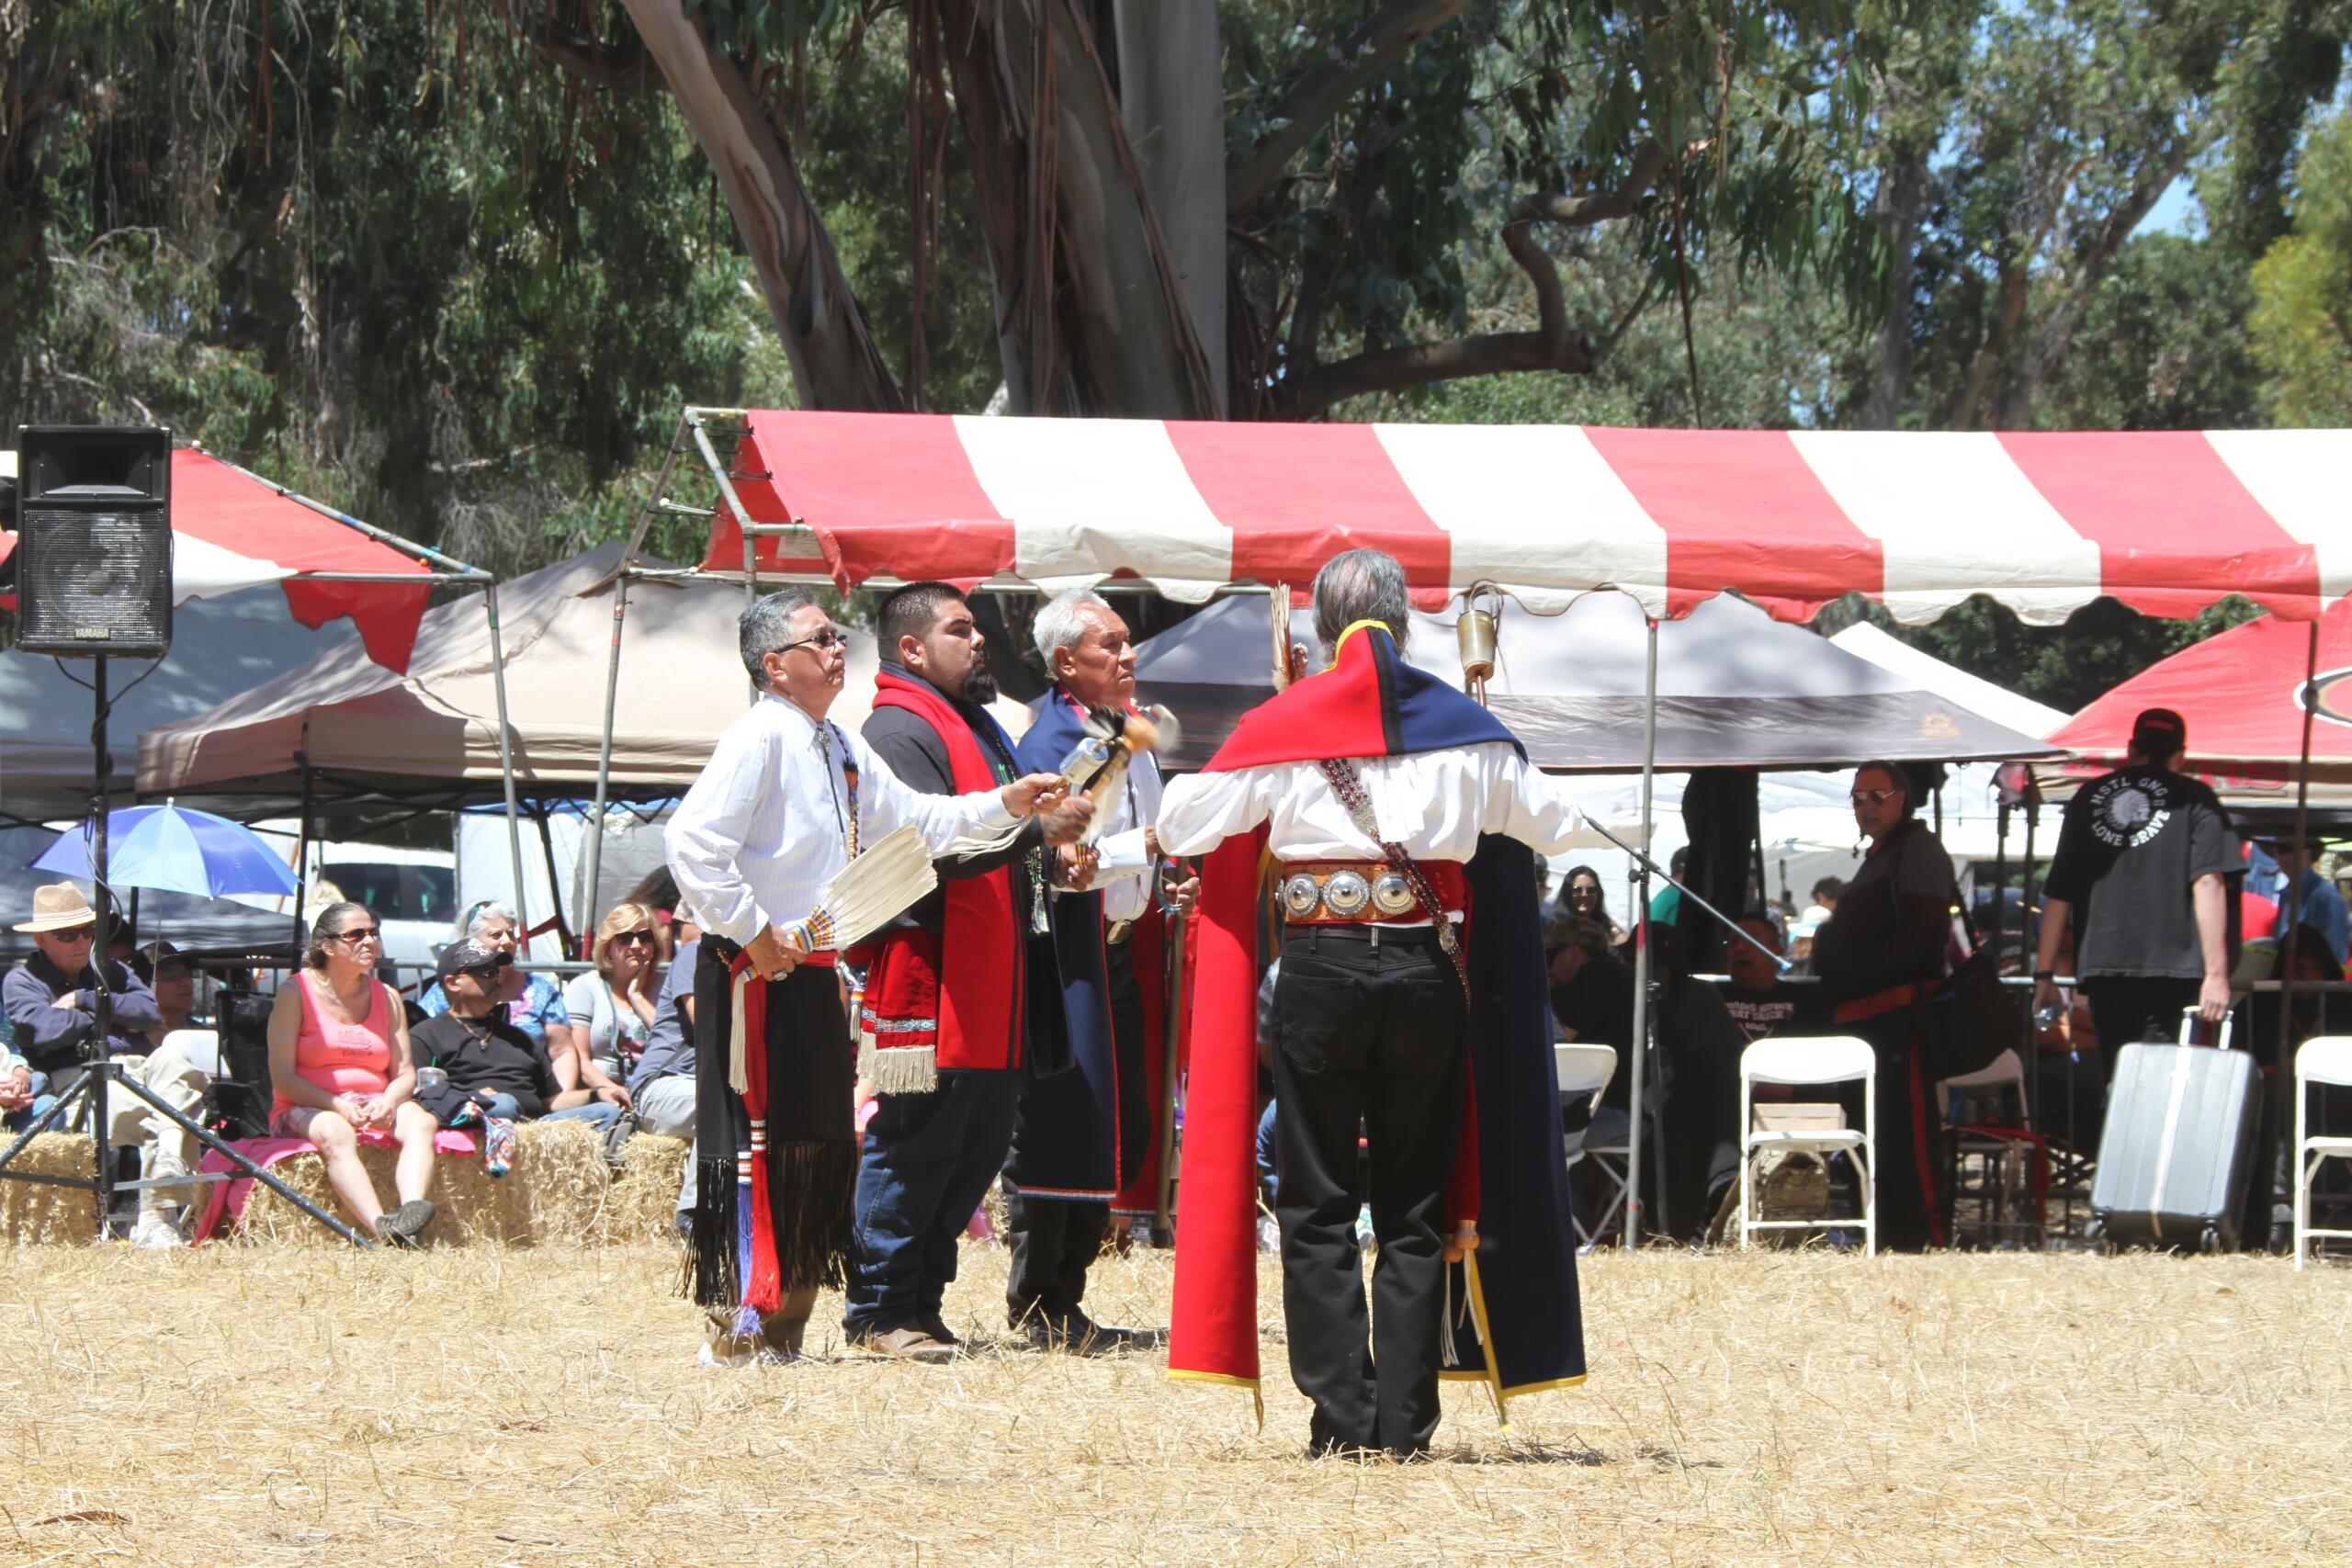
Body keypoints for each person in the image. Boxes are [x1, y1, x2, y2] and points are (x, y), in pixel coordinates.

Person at [1159, 547, 1590, 1460]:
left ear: (1322, 628)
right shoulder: (1463, 725)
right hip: (1424, 973)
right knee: (1413, 1201)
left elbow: (1183, 826)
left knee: (1315, 1199)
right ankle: (1406, 1423)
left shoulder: (1285, 722)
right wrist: (1486, 753)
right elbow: (1556, 826)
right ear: (1404, 620)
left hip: (1319, 969)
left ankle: (1342, 1423)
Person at [664, 588, 1072, 1367]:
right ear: (774, 665)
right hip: (751, 972)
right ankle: (736, 1329)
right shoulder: (760, 737)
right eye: (818, 639)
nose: (836, 647)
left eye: (835, 635)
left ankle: (784, 1327)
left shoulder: (838, 746)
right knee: (752, 1143)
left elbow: (921, 821)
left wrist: (1004, 803)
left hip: (814, 970)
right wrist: (754, 931)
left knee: (815, 1146)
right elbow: (692, 842)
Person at [849, 581, 1094, 1361]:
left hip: (992, 965)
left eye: (977, 628)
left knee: (976, 1146)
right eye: (960, 630)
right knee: (918, 1141)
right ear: (912, 648)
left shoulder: (976, 721)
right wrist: (1034, 828)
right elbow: (928, 846)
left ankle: (922, 1301)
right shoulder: (898, 728)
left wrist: (1051, 850)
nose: (980, 639)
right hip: (933, 964)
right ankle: (879, 1309)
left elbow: (999, 829)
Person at [1010, 587, 1194, 1351]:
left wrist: (1165, 878)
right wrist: (1143, 852)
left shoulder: (1123, 731)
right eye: (1108, 646)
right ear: (1065, 662)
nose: (1128, 655)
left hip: (1120, 946)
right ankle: (1040, 1298)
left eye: (1127, 642)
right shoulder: (1055, 743)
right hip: (1066, 956)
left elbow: (1126, 846)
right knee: (1063, 1117)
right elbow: (1058, 862)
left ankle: (1069, 1292)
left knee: (1127, 1121)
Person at [2034, 706, 2237, 1076]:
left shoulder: (2088, 797)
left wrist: (2044, 975)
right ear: (2181, 756)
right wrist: (2217, 974)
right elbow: (2208, 881)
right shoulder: (2196, 798)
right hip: (2172, 967)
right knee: (2163, 1080)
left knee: (2120, 1076)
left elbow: (2060, 891)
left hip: (2104, 965)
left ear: (2131, 749)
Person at [4, 882, 205, 1247]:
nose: (80, 941)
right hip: (80, 1077)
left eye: (86, 931)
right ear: (41, 941)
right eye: (66, 934)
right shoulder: (22, 979)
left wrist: (83, 999)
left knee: (179, 1066)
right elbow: (41, 1032)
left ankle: (159, 1197)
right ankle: (156, 1214)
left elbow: (148, 1012)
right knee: (162, 1116)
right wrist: (111, 1018)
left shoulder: (106, 969)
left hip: (137, 1065)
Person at [1809, 761, 1955, 1250]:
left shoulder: (1918, 849)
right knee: (1876, 1131)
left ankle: (1920, 1234)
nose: (1865, 806)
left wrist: (1847, 956)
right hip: (1864, 1017)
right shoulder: (1882, 854)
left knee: (1906, 1133)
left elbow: (1923, 940)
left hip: (1897, 1015)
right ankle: (1887, 1231)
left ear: (1902, 797)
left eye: (1877, 795)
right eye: (1856, 797)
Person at [265, 900, 438, 1245]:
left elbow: (405, 1073)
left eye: (373, 933)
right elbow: (283, 1077)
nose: (369, 941)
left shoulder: (388, 997)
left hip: (374, 1100)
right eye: (356, 934)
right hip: (307, 1104)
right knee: (335, 1131)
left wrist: (389, 1100)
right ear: (328, 946)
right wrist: (337, 1105)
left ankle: (410, 1215)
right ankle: (382, 1230)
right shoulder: (295, 993)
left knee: (422, 1122)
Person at [409, 940, 626, 1175]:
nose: (496, 977)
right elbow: (422, 1096)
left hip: (538, 1129)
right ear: (453, 983)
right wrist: (475, 1098)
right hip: (479, 1128)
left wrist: (596, 1093)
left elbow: (551, 1101)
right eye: (487, 972)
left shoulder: (519, 1038)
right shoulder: (426, 1035)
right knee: (503, 1104)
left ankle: (582, 1185)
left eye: (497, 971)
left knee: (608, 1112)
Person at [628, 933, 703, 1235]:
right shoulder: (696, 954)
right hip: (660, 1087)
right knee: (721, 1102)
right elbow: (708, 1023)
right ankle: (693, 1216)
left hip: (697, 1087)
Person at [566, 904, 662, 1085]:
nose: (636, 945)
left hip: (658, 1091)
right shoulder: (584, 987)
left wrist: (637, 997)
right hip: (605, 1093)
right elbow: (580, 1060)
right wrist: (611, 1090)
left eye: (645, 937)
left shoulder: (668, 986)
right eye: (624, 938)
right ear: (608, 945)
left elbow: (675, 1044)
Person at [2259, 838, 2347, 972]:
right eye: (2279, 851)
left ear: (2308, 852)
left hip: (2314, 987)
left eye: (2288, 850)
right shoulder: (2286, 895)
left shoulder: (2325, 896)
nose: (2283, 857)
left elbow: (2336, 957)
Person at [1555, 864, 1628, 948]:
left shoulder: (1602, 919)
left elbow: (1621, 939)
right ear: (1568, 893)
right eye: (1578, 890)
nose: (1584, 895)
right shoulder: (1558, 925)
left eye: (1591, 890)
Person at [145, 942, 200, 1037]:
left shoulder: (205, 1036)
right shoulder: (122, 1041)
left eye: (188, 974)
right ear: (146, 985)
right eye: (172, 975)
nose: (187, 983)